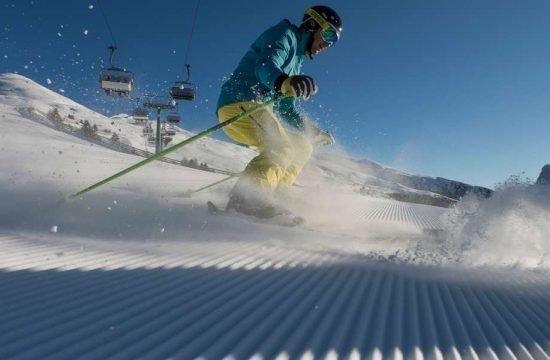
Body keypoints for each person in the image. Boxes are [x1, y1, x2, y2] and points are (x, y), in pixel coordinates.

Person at [216, 5, 342, 221]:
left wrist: (312, 131)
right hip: (240, 103)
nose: (327, 44)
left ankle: (274, 195)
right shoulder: (285, 35)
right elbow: (265, 66)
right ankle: (245, 202)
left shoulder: (297, 63)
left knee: (302, 146)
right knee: (281, 145)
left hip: (259, 111)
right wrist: (283, 81)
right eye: (328, 34)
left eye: (333, 42)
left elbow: (285, 108)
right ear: (313, 24)